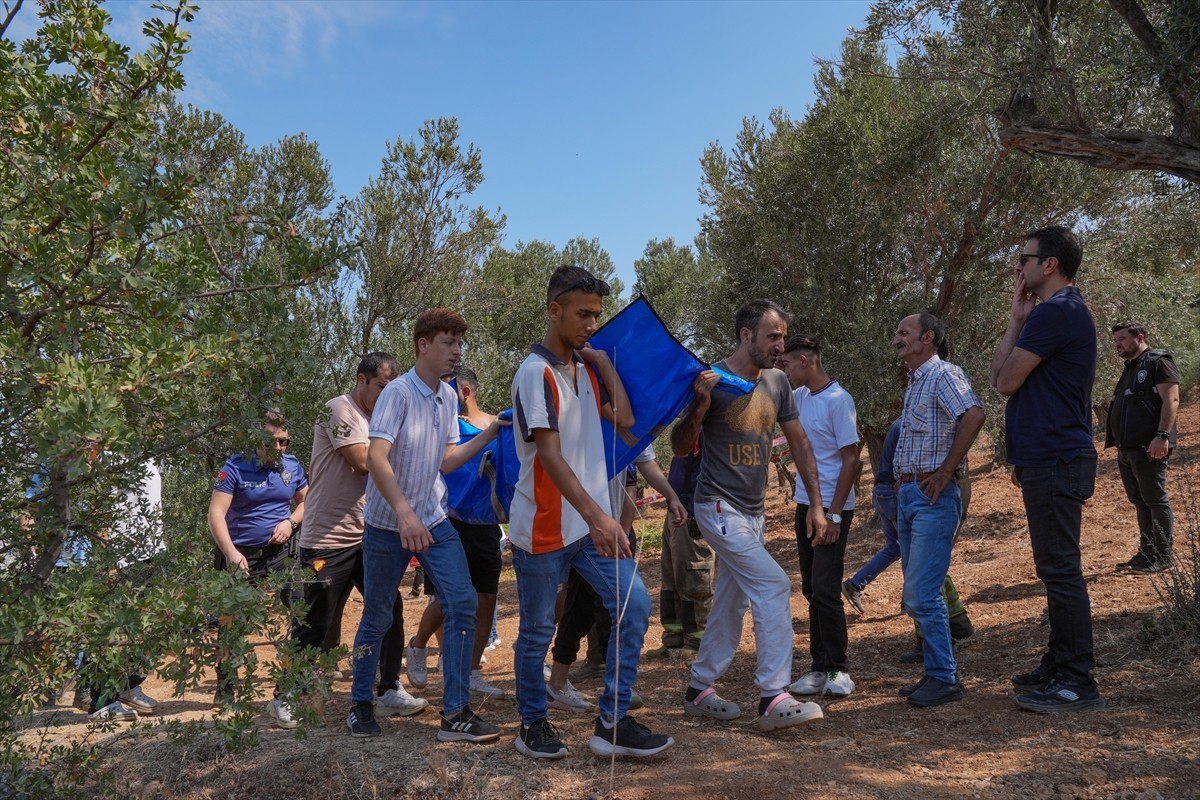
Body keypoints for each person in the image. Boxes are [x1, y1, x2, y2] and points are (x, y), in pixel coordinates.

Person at [509, 265, 673, 760]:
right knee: (537, 629)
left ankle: (612, 721)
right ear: (553, 310)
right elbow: (550, 456)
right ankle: (532, 724)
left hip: (591, 525)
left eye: (597, 316)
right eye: (582, 314)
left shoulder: (587, 368)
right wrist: (601, 516)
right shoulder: (533, 373)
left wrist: (602, 363)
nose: (591, 324)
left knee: (634, 605)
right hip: (542, 525)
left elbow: (624, 420)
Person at [346, 308, 506, 742]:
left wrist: (489, 436)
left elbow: (445, 461)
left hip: (434, 521)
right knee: (378, 616)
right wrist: (404, 514)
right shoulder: (397, 394)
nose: (457, 351)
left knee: (462, 603)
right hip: (386, 525)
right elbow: (376, 457)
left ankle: (455, 715)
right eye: (448, 342)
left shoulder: (449, 397)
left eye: (460, 343)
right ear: (423, 344)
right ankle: (361, 703)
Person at [670, 299, 826, 731]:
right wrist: (700, 405)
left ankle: (699, 688)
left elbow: (799, 444)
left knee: (732, 601)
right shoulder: (712, 380)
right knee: (774, 584)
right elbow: (680, 447)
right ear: (746, 335)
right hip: (717, 506)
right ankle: (773, 695)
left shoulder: (778, 383)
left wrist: (816, 503)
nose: (781, 345)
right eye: (773, 336)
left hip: (753, 513)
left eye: (783, 336)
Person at [278, 352, 426, 730]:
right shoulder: (337, 409)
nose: (387, 394)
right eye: (381, 386)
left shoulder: (384, 417)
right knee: (316, 621)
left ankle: (389, 688)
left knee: (388, 609)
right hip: (328, 537)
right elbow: (363, 461)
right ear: (362, 380)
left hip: (371, 533)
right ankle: (288, 694)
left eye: (393, 388)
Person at [992, 225, 1105, 713]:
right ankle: (1060, 663)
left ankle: (1077, 680)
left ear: (1050, 264)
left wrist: (1023, 324)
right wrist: (1017, 320)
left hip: (1058, 458)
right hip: (1048, 459)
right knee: (1054, 568)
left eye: (1025, 258)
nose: (1020, 267)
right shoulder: (1050, 312)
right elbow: (1002, 377)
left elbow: (1005, 381)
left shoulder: (1060, 311)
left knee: (1061, 571)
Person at [891, 313, 985, 707]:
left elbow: (975, 413)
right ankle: (934, 673)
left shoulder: (943, 374)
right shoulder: (916, 381)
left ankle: (945, 678)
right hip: (910, 496)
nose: (897, 339)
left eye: (904, 333)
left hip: (932, 495)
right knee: (918, 591)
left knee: (922, 592)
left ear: (927, 338)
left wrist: (947, 472)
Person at [406, 364, 507, 700]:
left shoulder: (498, 425)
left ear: (464, 391)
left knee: (486, 600)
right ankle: (418, 646)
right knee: (448, 599)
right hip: (447, 522)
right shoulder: (443, 429)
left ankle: (473, 670)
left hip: (487, 525)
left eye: (447, 388)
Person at [776, 334, 861, 698]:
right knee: (811, 588)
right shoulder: (798, 398)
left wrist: (835, 514)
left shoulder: (839, 401)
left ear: (805, 361)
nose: (785, 372)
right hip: (805, 504)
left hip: (831, 508)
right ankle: (817, 667)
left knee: (826, 588)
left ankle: (838, 669)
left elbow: (852, 459)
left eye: (788, 365)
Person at [207, 413, 308, 707]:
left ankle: (291, 680)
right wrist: (231, 553)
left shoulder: (291, 465)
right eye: (272, 442)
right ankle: (226, 682)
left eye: (284, 441)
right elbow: (216, 514)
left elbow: (306, 499)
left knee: (302, 612)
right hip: (242, 556)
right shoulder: (234, 467)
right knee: (231, 623)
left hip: (282, 555)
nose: (279, 447)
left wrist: (290, 522)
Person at [1105, 322, 1180, 573]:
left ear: (1140, 337)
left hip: (1150, 446)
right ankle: (1147, 552)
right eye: (1116, 340)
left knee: (1155, 500)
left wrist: (1162, 435)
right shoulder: (1131, 368)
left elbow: (1172, 399)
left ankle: (1163, 555)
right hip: (1128, 449)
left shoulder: (1157, 362)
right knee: (1140, 501)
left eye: (1123, 339)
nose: (1118, 344)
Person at [646, 433, 713, 657]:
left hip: (692, 514)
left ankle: (697, 641)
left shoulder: (709, 431)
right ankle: (673, 638)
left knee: (695, 575)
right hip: (674, 512)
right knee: (671, 577)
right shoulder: (687, 429)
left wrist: (697, 510)